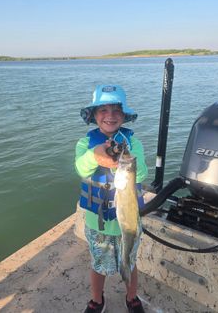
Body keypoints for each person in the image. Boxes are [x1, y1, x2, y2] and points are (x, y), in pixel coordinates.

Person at [75, 85, 148, 313]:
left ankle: (132, 297)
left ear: (124, 116)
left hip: (129, 222)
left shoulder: (133, 143)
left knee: (130, 262)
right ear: (94, 115)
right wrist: (95, 155)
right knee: (98, 266)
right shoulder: (84, 144)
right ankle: (97, 300)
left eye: (116, 110)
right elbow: (80, 169)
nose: (110, 116)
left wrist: (126, 161)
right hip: (98, 223)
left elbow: (143, 173)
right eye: (103, 110)